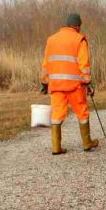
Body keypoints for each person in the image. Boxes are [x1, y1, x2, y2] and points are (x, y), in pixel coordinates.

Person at [40, 13, 99, 155]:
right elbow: (83, 64)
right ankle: (86, 143)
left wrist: (44, 82)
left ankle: (56, 147)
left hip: (56, 85)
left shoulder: (51, 40)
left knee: (57, 114)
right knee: (82, 113)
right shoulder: (80, 40)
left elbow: (46, 63)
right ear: (78, 26)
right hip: (75, 86)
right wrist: (87, 82)